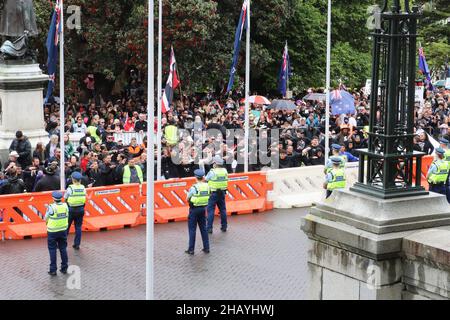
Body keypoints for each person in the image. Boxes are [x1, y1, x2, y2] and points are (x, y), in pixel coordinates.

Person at [185, 169, 210, 255]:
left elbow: (187, 198)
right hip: (203, 208)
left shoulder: (194, 187)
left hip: (194, 209)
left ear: (195, 177)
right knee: (203, 228)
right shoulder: (207, 186)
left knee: (192, 230)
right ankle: (206, 248)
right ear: (203, 177)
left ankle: (191, 249)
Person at [45, 191, 69, 276]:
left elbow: (45, 218)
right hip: (63, 230)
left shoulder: (51, 207)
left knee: (52, 250)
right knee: (63, 248)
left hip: (52, 231)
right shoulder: (65, 206)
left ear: (53, 198)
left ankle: (53, 270)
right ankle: (64, 268)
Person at [206, 155, 228, 233]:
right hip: (222, 193)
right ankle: (224, 226)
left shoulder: (212, 172)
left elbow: (206, 179)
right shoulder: (225, 171)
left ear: (215, 163)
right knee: (223, 210)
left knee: (211, 210)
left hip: (213, 193)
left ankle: (209, 228)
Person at [65, 172, 87, 250]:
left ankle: (63, 243)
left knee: (66, 227)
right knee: (78, 227)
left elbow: (65, 197)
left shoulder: (70, 188)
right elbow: (85, 197)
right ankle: (77, 244)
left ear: (73, 179)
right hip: (80, 209)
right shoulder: (83, 187)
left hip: (71, 209)